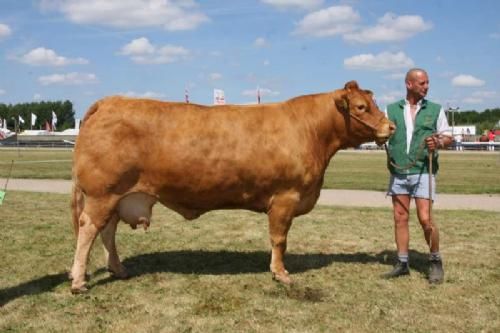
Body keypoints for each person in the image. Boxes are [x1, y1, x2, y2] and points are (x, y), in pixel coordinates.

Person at [383, 68, 453, 284]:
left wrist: (439, 142)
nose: (426, 87)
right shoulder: (391, 109)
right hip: (399, 171)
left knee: (426, 218)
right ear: (409, 84)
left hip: (424, 170)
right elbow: (382, 133)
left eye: (427, 83)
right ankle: (402, 263)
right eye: (422, 83)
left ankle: (435, 261)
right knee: (400, 218)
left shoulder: (435, 109)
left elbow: (448, 137)